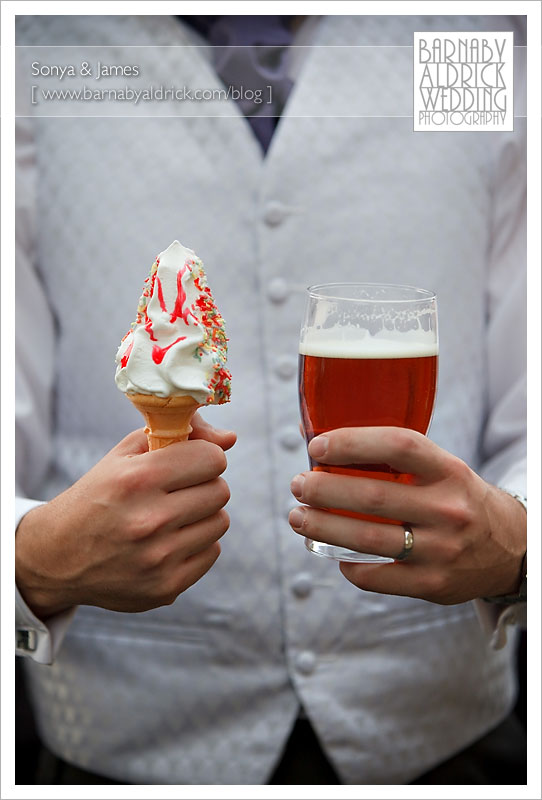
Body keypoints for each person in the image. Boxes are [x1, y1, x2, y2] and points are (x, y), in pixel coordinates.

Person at [15, 14, 527, 785]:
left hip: (454, 737)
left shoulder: (464, 33)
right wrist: (30, 563)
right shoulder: (33, 46)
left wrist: (521, 540)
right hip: (119, 746)